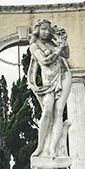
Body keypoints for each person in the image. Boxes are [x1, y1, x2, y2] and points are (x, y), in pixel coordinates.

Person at [26, 19, 72, 158]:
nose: (46, 32)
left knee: (59, 112)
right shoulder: (34, 46)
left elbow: (67, 55)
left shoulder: (52, 43)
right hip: (48, 79)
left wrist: (63, 42)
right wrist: (58, 49)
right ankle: (40, 147)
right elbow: (45, 61)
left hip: (63, 75)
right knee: (47, 111)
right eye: (43, 29)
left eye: (48, 29)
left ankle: (52, 148)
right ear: (38, 30)